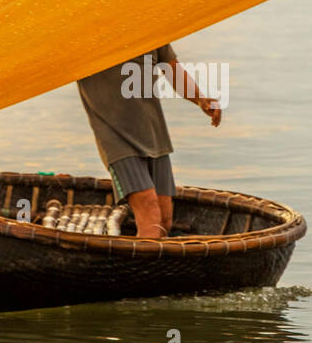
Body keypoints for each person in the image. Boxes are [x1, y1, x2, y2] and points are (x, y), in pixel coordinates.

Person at [77, 44, 220, 238]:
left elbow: (172, 70)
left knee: (164, 220)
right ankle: (144, 269)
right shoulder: (85, 34)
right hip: (116, 140)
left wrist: (201, 99)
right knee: (150, 211)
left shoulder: (148, 28)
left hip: (155, 135)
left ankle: (153, 263)